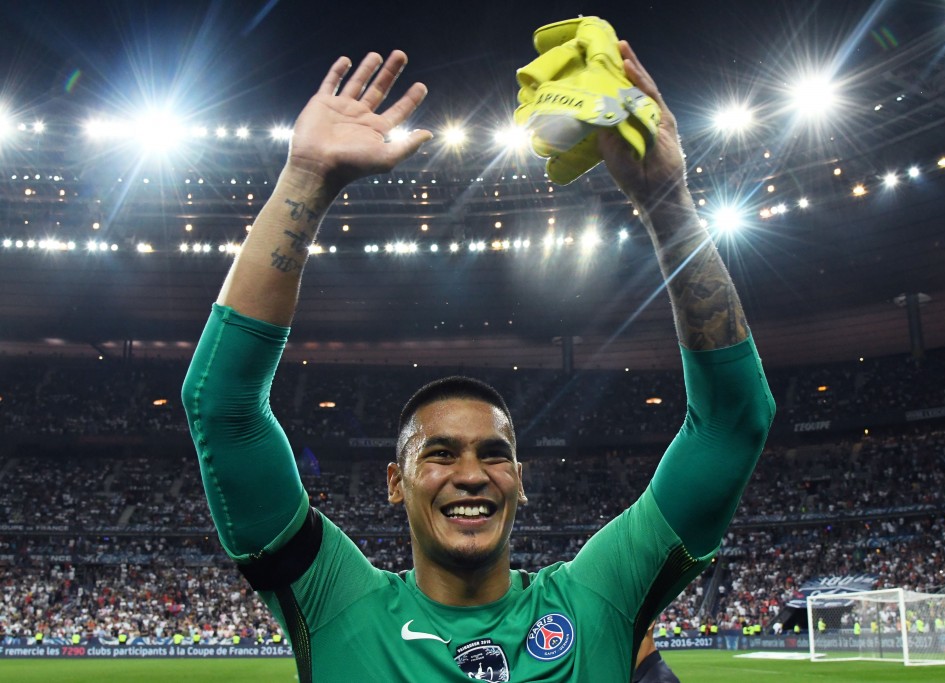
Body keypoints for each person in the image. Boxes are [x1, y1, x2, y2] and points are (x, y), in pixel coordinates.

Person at [182, 38, 774, 682]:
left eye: (493, 454)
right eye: (439, 453)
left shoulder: (596, 601)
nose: (471, 474)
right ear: (394, 481)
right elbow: (222, 407)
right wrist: (305, 179)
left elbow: (732, 422)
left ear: (519, 478)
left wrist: (668, 202)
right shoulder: (336, 604)